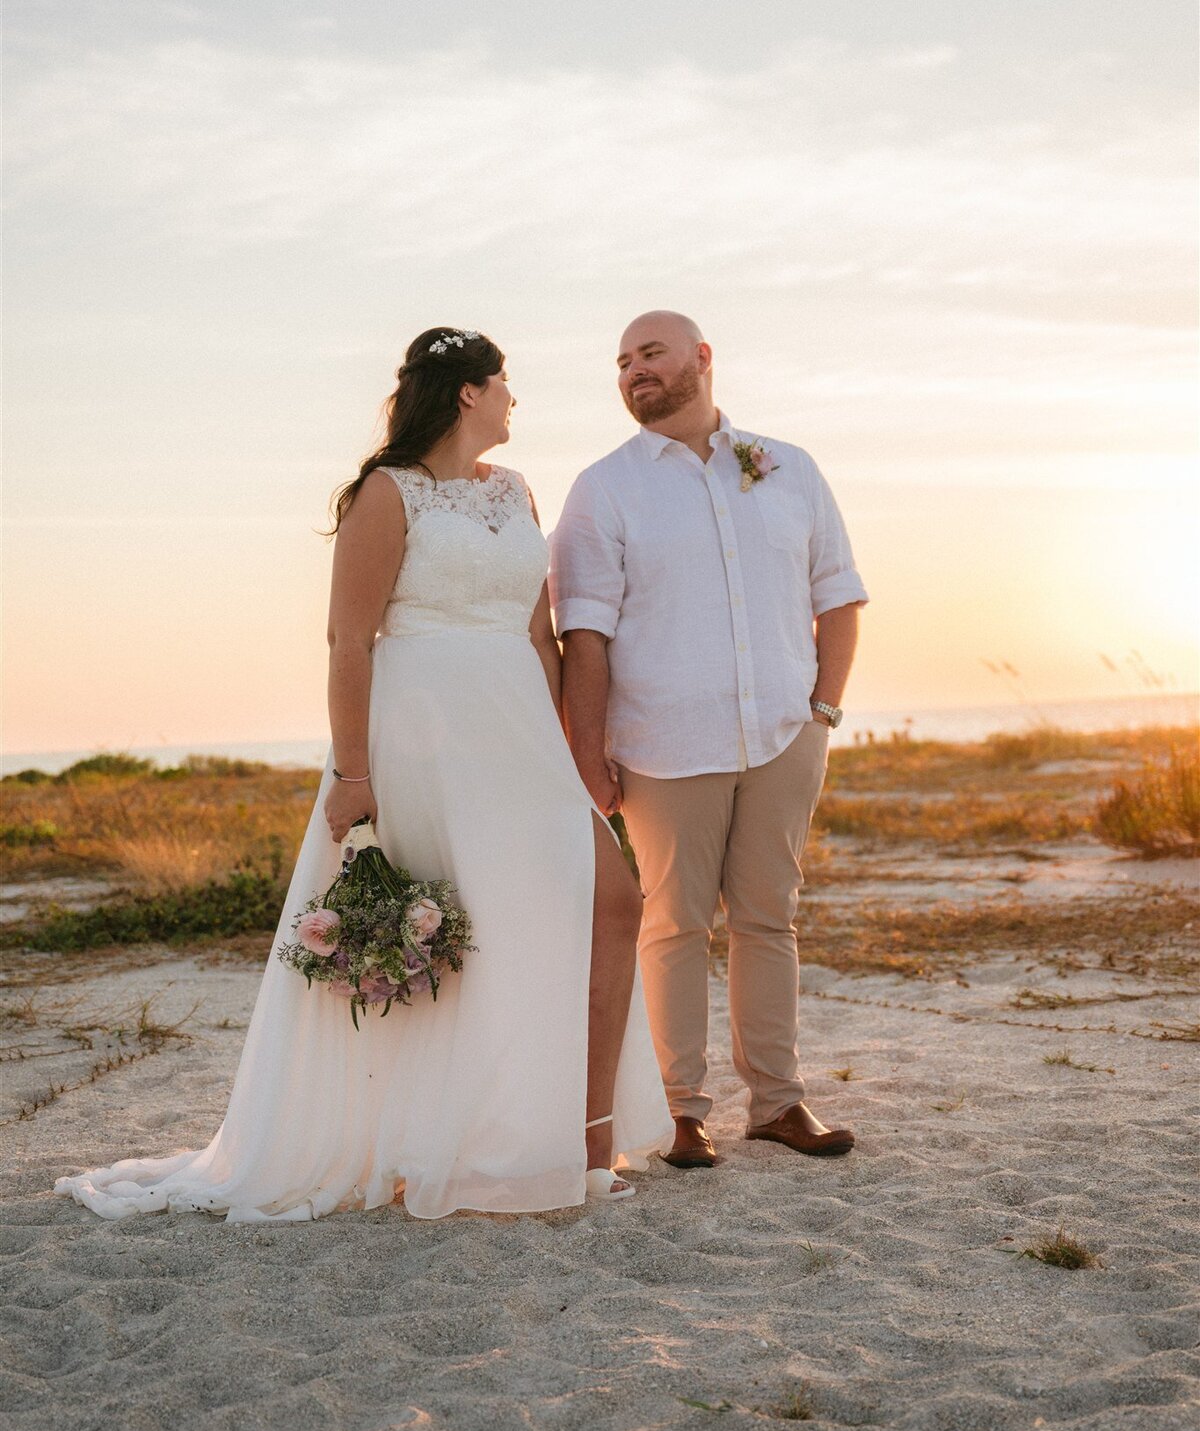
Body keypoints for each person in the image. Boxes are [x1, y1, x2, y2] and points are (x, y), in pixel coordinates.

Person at [56, 329, 672, 1222]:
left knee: (609, 897)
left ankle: (586, 1138)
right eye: (503, 385)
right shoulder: (386, 494)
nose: (512, 401)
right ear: (467, 394)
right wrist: (352, 773)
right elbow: (351, 639)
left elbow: (540, 636)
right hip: (424, 737)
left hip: (521, 738)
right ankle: (493, 1147)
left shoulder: (517, 491)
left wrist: (565, 749)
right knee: (480, 938)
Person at [550, 311, 867, 1170]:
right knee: (673, 925)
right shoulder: (604, 488)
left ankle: (777, 1103)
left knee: (771, 919)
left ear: (702, 358)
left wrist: (822, 715)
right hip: (660, 744)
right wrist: (588, 752)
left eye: (650, 353)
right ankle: (682, 1113)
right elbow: (585, 635)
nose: (633, 371)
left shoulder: (788, 467)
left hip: (782, 738)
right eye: (621, 362)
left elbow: (838, 595)